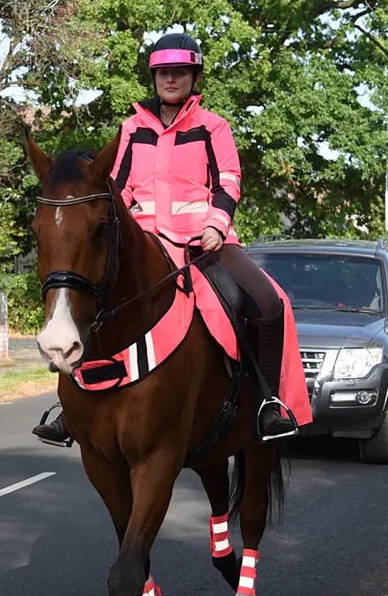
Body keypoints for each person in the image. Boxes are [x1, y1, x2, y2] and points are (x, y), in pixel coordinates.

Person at [33, 32, 296, 445]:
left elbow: (229, 182)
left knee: (267, 300)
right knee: (91, 295)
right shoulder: (132, 129)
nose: (170, 79)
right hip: (146, 241)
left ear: (194, 76)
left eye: (179, 72)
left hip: (204, 242)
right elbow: (115, 189)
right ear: (153, 78)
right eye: (162, 73)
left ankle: (268, 403)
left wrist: (216, 224)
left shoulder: (214, 128)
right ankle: (73, 409)